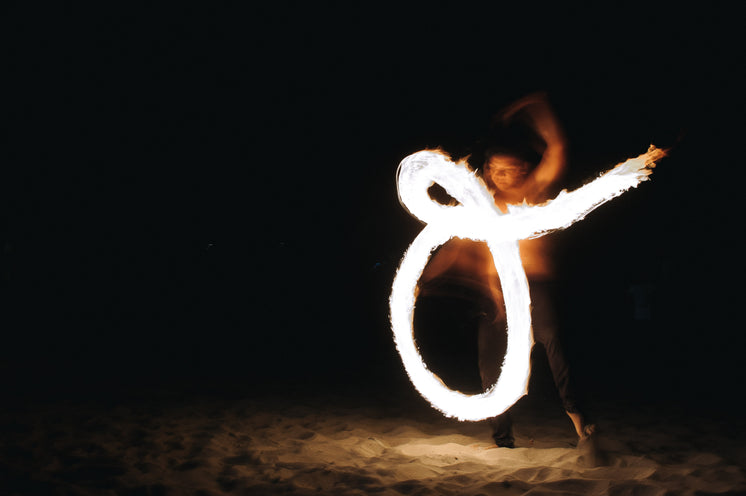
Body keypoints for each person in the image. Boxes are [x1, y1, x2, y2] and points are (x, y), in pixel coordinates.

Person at [416, 93, 594, 448]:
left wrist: (538, 106)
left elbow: (557, 149)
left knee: (553, 342)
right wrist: (419, 283)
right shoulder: (480, 210)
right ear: (488, 172)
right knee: (491, 365)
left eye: (513, 169)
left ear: (524, 170)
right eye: (498, 170)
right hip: (495, 293)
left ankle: (580, 422)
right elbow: (451, 247)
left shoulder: (534, 196)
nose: (506, 176)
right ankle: (503, 436)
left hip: (536, 287)